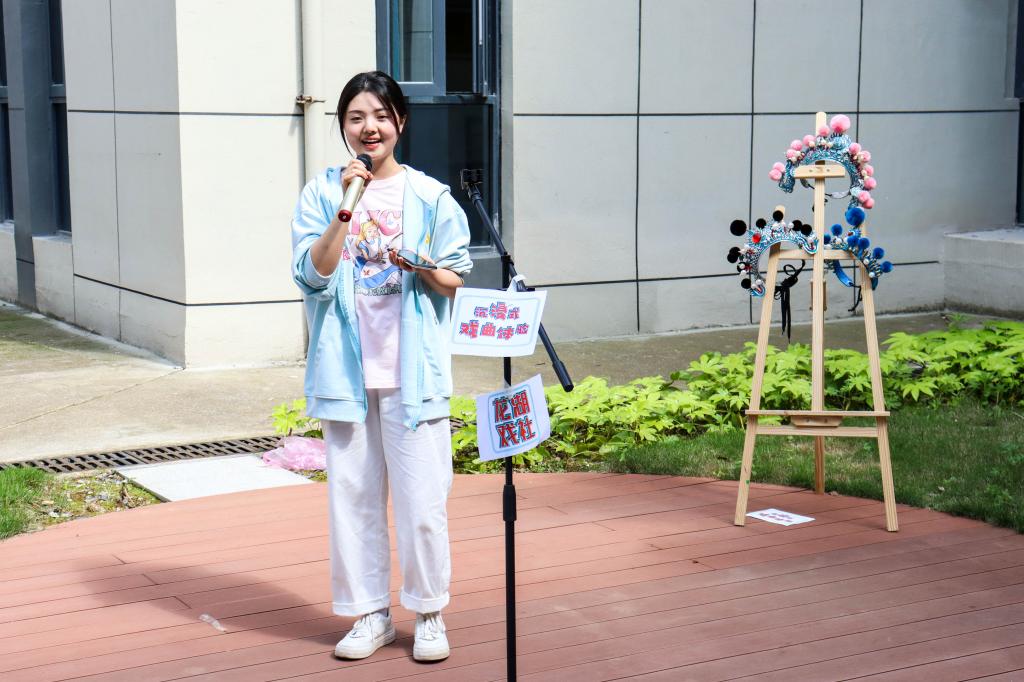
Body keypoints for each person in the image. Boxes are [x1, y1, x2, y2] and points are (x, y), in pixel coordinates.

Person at [290, 70, 472, 662]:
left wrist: (420, 265)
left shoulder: (430, 196)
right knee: (353, 502)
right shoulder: (323, 193)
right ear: (343, 127)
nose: (369, 127)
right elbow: (311, 275)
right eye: (355, 118)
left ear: (400, 121)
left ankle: (429, 612)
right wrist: (346, 208)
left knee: (423, 503)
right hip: (346, 373)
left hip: (412, 374)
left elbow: (454, 277)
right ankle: (371, 614)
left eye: (380, 115)